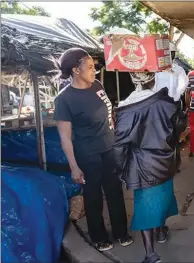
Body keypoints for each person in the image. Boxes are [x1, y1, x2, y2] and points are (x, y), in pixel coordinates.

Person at [53, 48, 132, 252]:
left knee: (115, 191)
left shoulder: (96, 85)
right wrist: (74, 167)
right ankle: (98, 237)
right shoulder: (64, 99)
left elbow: (108, 115)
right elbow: (65, 138)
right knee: (93, 196)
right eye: (89, 67)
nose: (94, 70)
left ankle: (121, 232)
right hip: (88, 154)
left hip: (109, 148)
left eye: (93, 66)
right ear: (75, 70)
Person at [115, 71, 180, 263]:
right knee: (164, 198)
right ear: (153, 79)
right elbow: (179, 125)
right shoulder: (167, 102)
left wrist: (120, 169)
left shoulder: (127, 107)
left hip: (142, 164)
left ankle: (151, 253)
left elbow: (119, 145)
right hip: (166, 160)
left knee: (145, 207)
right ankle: (160, 232)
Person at [155, 41, 188, 172]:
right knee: (161, 136)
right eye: (168, 53)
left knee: (174, 137)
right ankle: (163, 164)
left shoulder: (178, 69)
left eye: (172, 53)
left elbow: (184, 84)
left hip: (173, 106)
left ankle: (175, 164)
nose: (171, 56)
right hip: (159, 107)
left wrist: (175, 94)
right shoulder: (156, 69)